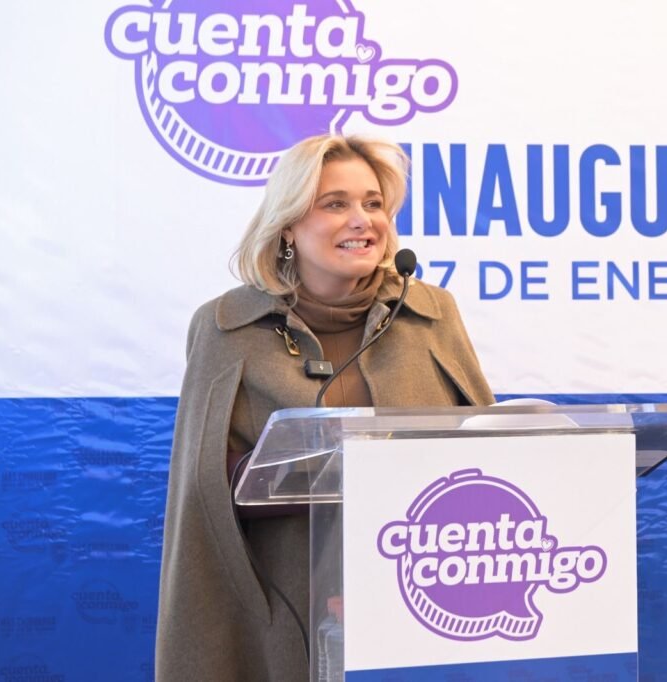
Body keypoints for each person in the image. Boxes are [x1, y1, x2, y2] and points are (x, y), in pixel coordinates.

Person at [155, 134, 494, 681]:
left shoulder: (432, 313)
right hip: (284, 608)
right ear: (288, 224)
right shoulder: (226, 327)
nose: (363, 220)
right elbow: (204, 493)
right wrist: (308, 470)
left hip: (425, 604)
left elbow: (489, 460)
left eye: (373, 203)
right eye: (336, 204)